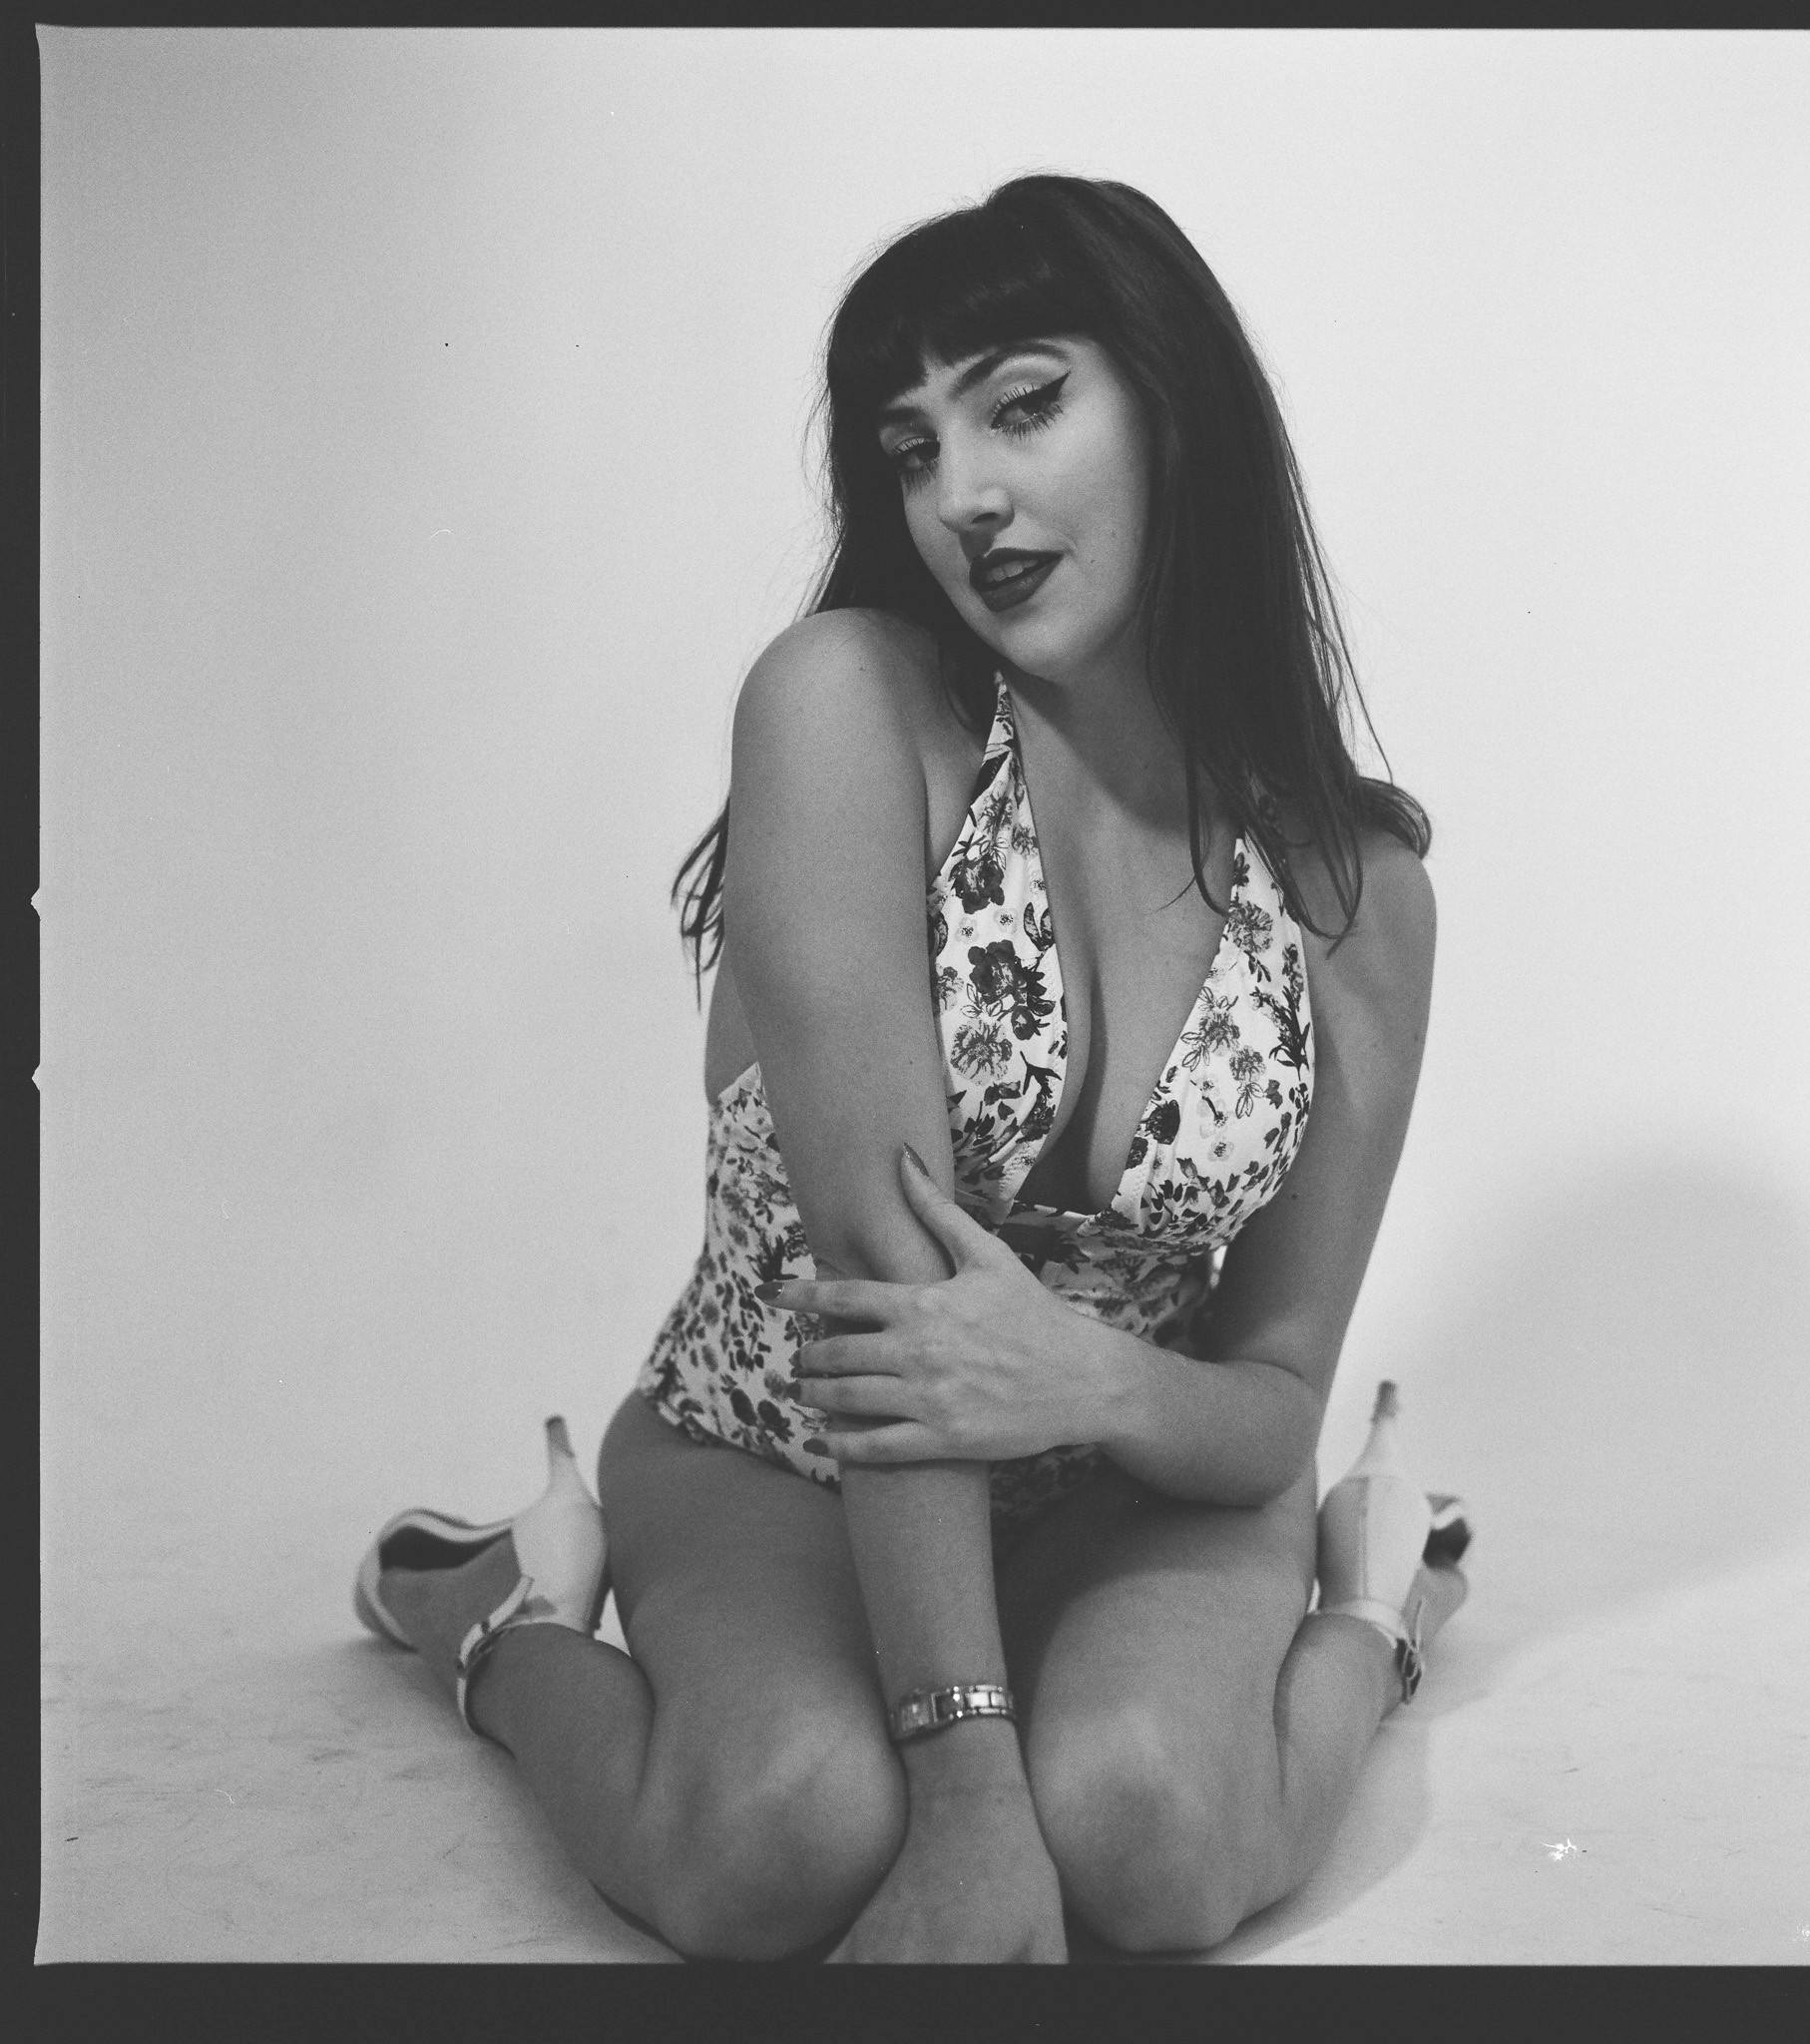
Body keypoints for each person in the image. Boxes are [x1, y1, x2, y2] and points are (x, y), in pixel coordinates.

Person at [353, 174, 1468, 1964]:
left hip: (1122, 1474)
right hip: (781, 1449)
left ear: (1174, 407)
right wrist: (964, 1797)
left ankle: (1378, 1604)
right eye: (909, 447)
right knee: (781, 1836)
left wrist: (1085, 1378)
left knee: (1155, 1837)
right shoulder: (847, 709)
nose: (961, 496)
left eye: (1021, 406)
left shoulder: (1354, 897)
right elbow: (890, 1302)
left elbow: (1269, 1396)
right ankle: (499, 1619)